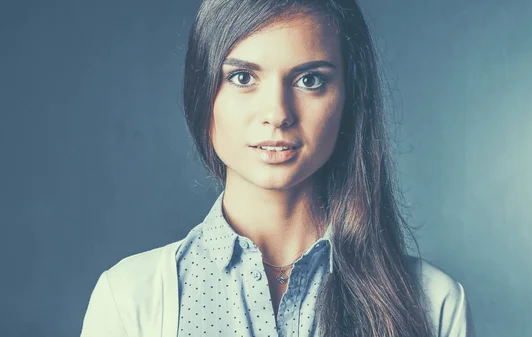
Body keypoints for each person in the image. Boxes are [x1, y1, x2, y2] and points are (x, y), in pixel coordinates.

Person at [80, 0, 475, 336]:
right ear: (203, 95)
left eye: (309, 80)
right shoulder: (131, 298)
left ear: (349, 100)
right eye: (243, 77)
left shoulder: (432, 303)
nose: (277, 114)